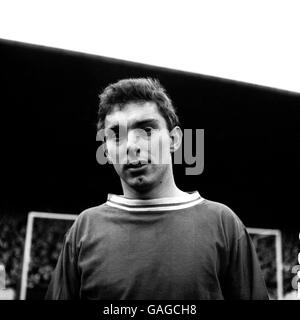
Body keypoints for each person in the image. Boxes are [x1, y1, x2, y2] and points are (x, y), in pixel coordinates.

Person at [45, 78, 269, 300]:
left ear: (175, 140)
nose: (132, 145)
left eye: (147, 130)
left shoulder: (223, 223)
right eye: (116, 135)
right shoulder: (85, 228)